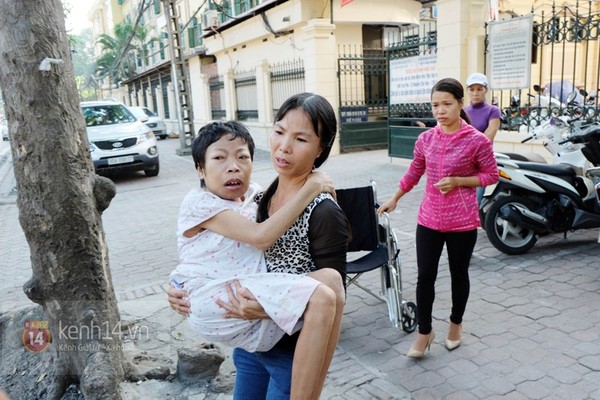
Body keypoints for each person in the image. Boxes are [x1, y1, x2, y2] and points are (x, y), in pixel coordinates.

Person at [168, 92, 349, 399]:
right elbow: (215, 249)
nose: (284, 146)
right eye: (279, 132)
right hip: (250, 345)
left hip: (289, 351)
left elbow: (334, 296)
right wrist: (176, 282)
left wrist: (267, 308)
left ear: (321, 148)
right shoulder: (260, 197)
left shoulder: (323, 211)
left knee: (330, 282)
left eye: (301, 139)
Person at [378, 78, 498, 358]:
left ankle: (455, 325)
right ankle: (424, 332)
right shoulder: (426, 139)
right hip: (429, 219)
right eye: (435, 105)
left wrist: (459, 180)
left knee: (459, 275)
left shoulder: (477, 141)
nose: (440, 110)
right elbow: (414, 171)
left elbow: (490, 175)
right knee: (425, 277)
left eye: (446, 104)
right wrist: (395, 197)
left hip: (462, 221)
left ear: (459, 104)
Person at [464, 72, 501, 142]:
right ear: (467, 91)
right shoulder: (463, 111)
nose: (475, 93)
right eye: (471, 90)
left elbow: (487, 140)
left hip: (483, 152)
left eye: (479, 89)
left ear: (485, 90)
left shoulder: (493, 111)